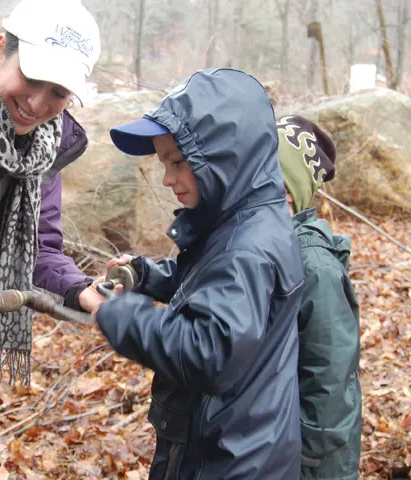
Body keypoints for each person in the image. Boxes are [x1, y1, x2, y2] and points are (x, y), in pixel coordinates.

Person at [92, 69, 305, 479]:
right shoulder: (244, 221)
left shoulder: (247, 248)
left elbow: (210, 351)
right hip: (237, 444)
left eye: (178, 162)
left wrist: (117, 313)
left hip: (230, 460)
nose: (168, 179)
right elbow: (214, 284)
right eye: (164, 163)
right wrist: (146, 275)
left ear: (227, 156)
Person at [0, 0, 102, 474]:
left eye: (59, 92)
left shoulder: (47, 143)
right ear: (2, 48)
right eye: (33, 77)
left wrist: (80, 288)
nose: (39, 103)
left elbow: (42, 245)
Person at [276, 115, 362, 480]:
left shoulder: (315, 267)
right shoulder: (272, 248)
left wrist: (307, 460)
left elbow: (329, 380)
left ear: (291, 193)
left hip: (313, 462)